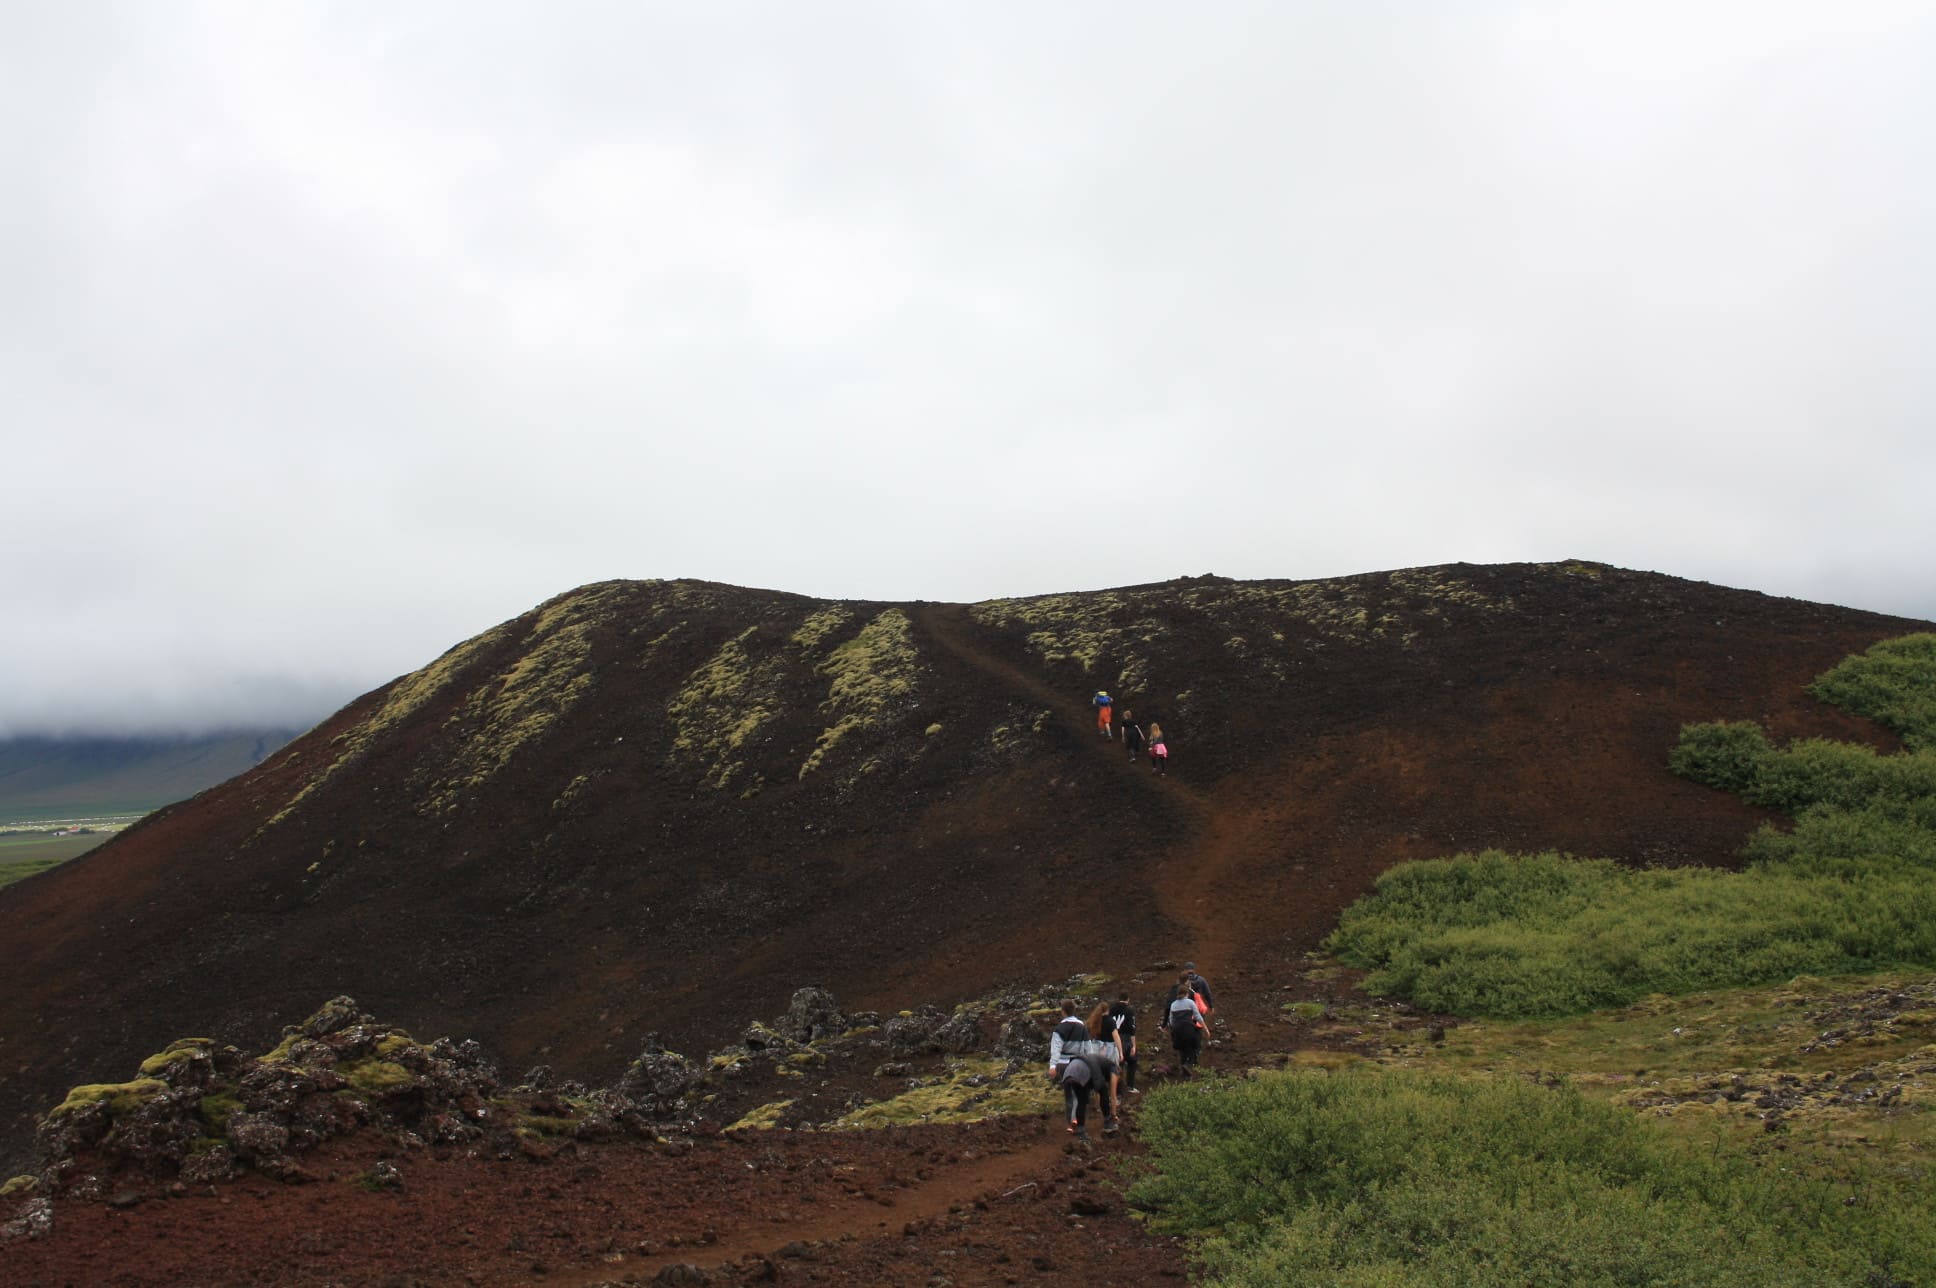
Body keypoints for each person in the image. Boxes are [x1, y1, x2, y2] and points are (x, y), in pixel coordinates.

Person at [1085, 1001, 1123, 1133]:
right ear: (1108, 1010)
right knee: (1112, 1087)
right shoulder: (1111, 1021)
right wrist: (1121, 1052)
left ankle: (1097, 1105)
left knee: (1098, 1081)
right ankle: (1113, 1113)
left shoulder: (1095, 1022)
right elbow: (1116, 1037)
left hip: (1096, 1052)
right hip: (1109, 1052)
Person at [1167, 980, 1206, 1074]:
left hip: (1177, 1030)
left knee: (1182, 1049)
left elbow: (1171, 1020)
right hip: (1188, 1028)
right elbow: (1197, 1016)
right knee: (1194, 1046)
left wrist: (1172, 1030)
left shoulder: (1173, 1004)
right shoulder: (1190, 1002)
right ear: (1186, 993)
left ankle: (1183, 1068)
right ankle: (1188, 1064)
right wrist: (1205, 1028)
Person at [1107, 992, 1139, 1094]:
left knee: (1117, 1065)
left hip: (1112, 1039)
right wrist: (1134, 1045)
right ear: (1128, 999)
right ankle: (1130, 1086)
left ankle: (1116, 1090)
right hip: (1125, 1039)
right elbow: (1132, 1029)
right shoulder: (1130, 1010)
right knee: (1132, 1061)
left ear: (1118, 999)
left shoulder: (1111, 1009)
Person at [1048, 1000, 1087, 1077]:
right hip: (1079, 1063)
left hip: (1063, 1064)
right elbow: (1087, 1046)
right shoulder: (1082, 1026)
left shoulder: (1059, 1028)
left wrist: (1052, 1066)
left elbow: (1056, 1049)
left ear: (1063, 1012)